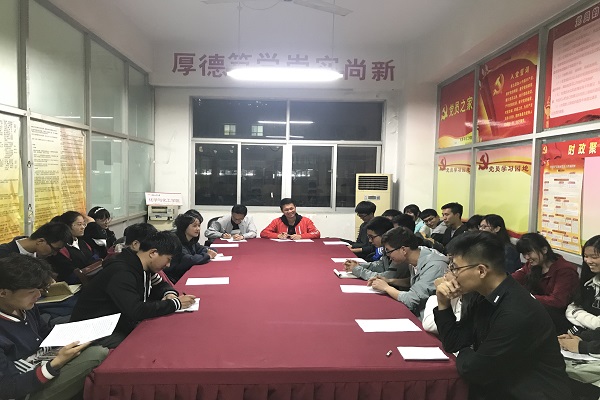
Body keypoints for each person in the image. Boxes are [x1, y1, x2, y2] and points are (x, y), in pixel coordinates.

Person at [433, 231, 571, 400]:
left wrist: (465, 351)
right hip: (501, 385)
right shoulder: (482, 294)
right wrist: (443, 303)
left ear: (481, 271)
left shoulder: (516, 312)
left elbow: (475, 370)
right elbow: (454, 342)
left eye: (455, 268)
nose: (450, 274)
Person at [0, 254, 108, 400]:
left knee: (96, 343)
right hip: (25, 388)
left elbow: (44, 333)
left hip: (42, 361)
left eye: (39, 289)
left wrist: (78, 335)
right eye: (31, 292)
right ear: (3, 293)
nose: (38, 295)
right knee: (97, 354)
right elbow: (8, 388)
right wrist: (57, 363)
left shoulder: (25, 307)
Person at [70, 231, 196, 348]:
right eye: (168, 259)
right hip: (95, 330)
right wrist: (175, 304)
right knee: (152, 342)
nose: (168, 265)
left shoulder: (143, 266)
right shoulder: (122, 272)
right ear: (153, 253)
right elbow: (135, 310)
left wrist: (169, 294)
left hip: (119, 322)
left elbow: (160, 284)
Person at [369, 227, 448, 318]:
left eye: (389, 251)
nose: (388, 256)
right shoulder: (417, 255)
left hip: (426, 317)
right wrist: (389, 281)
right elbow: (416, 282)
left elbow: (411, 299)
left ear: (403, 250)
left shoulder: (434, 266)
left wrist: (386, 288)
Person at [513, 232, 578, 334]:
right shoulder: (532, 265)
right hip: (539, 313)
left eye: (529, 253)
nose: (526, 257)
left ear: (544, 250)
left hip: (558, 318)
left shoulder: (565, 270)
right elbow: (515, 279)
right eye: (524, 254)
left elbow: (558, 301)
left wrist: (528, 297)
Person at [343, 216, 406, 281]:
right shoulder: (385, 249)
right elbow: (380, 265)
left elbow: (387, 277)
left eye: (372, 237)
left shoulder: (397, 251)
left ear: (384, 235)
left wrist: (358, 269)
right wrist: (359, 265)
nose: (370, 241)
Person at [164, 213, 217, 283]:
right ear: (184, 227)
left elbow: (205, 249)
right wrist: (207, 255)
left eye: (199, 225)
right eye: (194, 226)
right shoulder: (176, 241)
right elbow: (189, 260)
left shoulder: (191, 240)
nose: (198, 229)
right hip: (176, 278)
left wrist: (206, 253)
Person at [47, 211, 97, 284]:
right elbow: (68, 273)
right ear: (67, 226)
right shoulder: (61, 248)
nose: (83, 227)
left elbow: (95, 258)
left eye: (84, 224)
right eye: (79, 224)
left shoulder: (83, 243)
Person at [0, 221, 72, 259]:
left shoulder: (40, 254)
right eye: (55, 249)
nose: (54, 253)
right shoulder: (4, 254)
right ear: (40, 241)